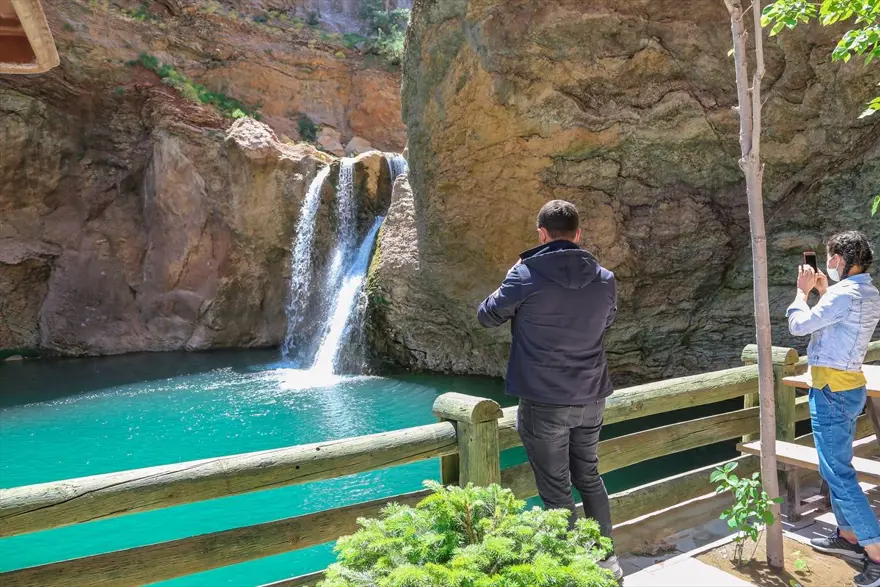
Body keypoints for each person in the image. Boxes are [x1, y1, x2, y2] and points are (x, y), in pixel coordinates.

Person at [477, 199, 619, 578]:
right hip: (592, 396)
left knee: (556, 491)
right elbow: (607, 320)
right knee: (588, 477)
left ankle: (573, 572)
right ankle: (606, 562)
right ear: (578, 234)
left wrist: (509, 277)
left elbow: (486, 315)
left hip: (544, 402)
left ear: (541, 234)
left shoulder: (524, 275)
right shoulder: (605, 278)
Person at [787, 230, 880, 587]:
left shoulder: (845, 294)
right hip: (848, 385)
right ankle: (848, 536)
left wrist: (803, 291)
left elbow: (799, 325)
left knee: (839, 474)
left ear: (840, 260)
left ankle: (874, 551)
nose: (828, 264)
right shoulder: (866, 291)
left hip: (830, 389)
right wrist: (825, 292)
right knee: (835, 468)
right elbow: (839, 325)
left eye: (831, 258)